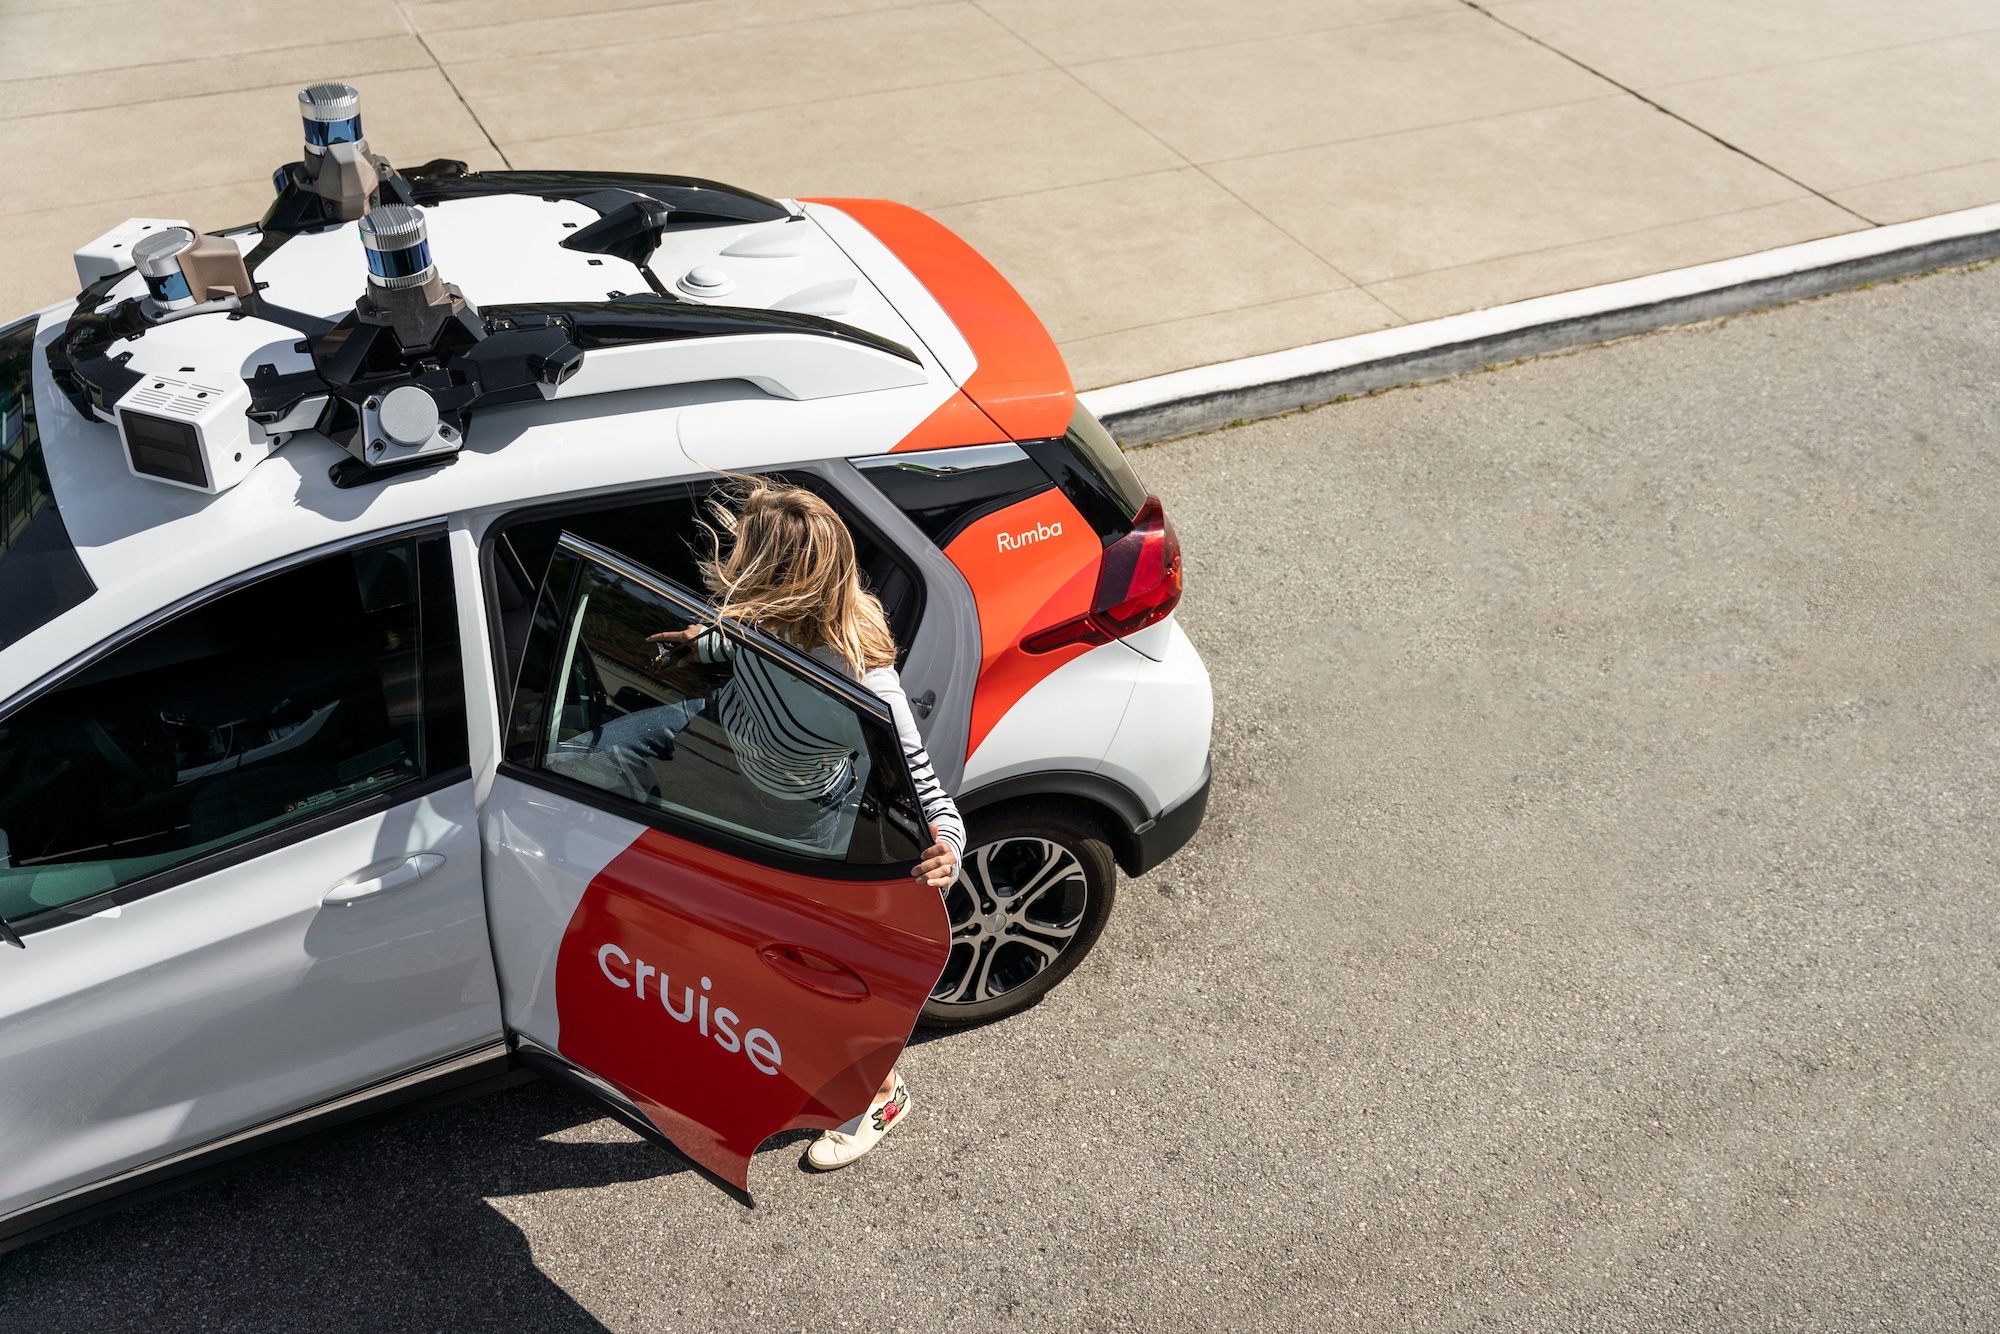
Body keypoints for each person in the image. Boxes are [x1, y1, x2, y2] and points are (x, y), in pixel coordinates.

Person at [645, 479, 962, 1170]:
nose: (730, 558)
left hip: (801, 824)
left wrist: (949, 849)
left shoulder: (862, 683)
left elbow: (932, 796)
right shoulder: (756, 620)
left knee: (809, 980)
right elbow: (733, 646)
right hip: (724, 763)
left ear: (776, 578)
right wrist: (694, 648)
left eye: (745, 551)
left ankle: (879, 1094)